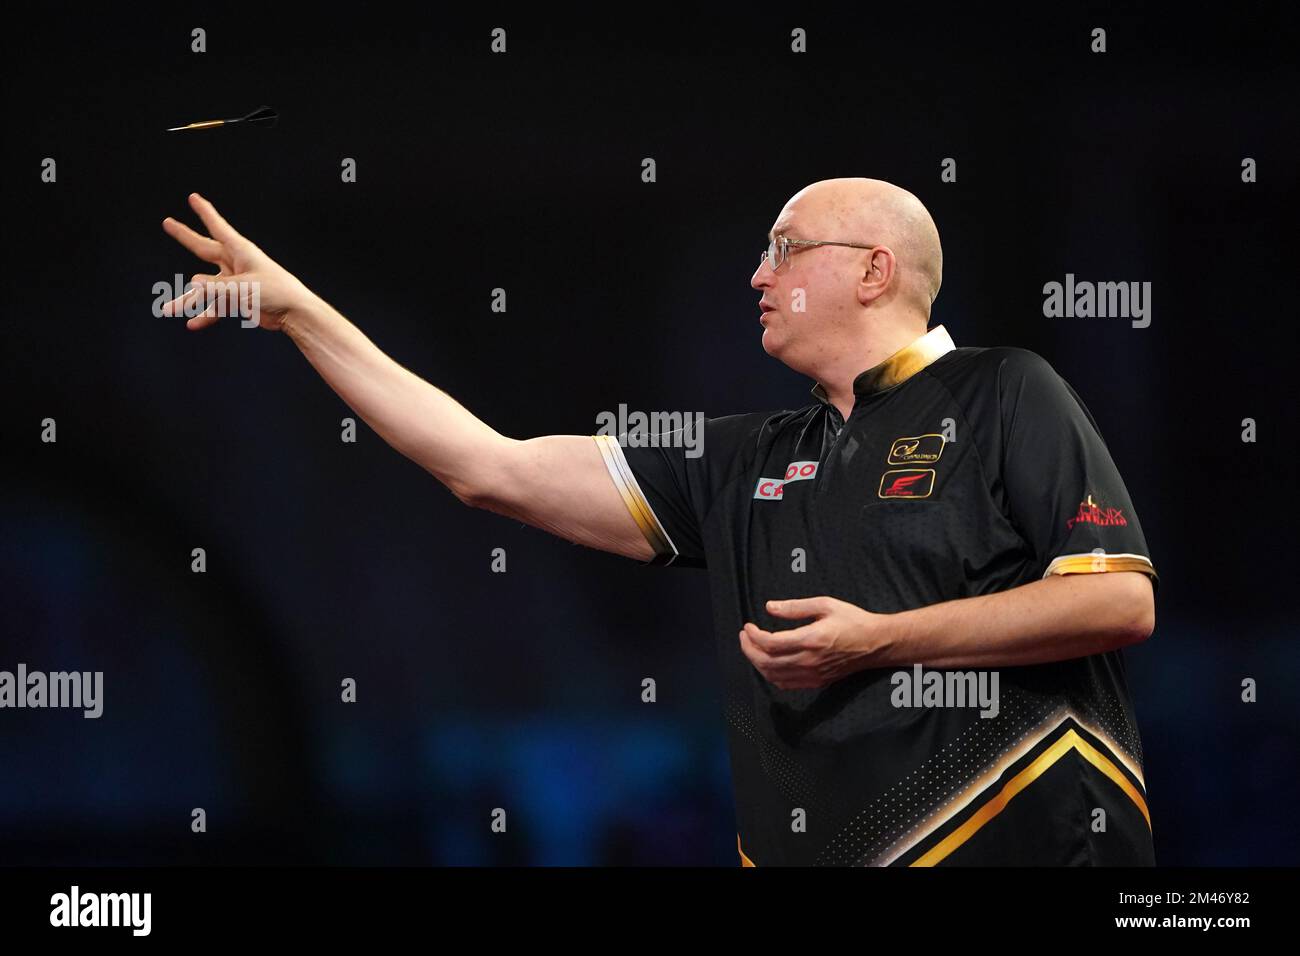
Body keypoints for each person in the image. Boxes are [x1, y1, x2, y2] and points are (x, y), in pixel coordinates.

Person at [160, 177, 1158, 866]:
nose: (756, 277)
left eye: (783, 249)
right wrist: (297, 313)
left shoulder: (1003, 391)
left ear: (872, 269)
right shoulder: (745, 456)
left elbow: (1117, 598)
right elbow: (487, 465)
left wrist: (880, 641)